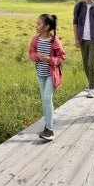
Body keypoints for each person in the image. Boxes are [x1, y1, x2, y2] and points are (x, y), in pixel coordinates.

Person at [28, 13, 66, 141]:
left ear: (47, 26)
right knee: (44, 99)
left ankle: (49, 129)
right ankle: (47, 123)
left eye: (39, 23)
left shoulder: (54, 41)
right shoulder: (36, 39)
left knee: (47, 97)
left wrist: (50, 59)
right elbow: (31, 52)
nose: (36, 26)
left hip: (52, 74)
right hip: (41, 73)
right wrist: (36, 56)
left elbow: (62, 57)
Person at [73, 0, 94, 98]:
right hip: (82, 39)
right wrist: (76, 38)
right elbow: (75, 23)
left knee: (91, 63)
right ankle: (90, 81)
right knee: (85, 64)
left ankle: (91, 88)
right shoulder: (79, 6)